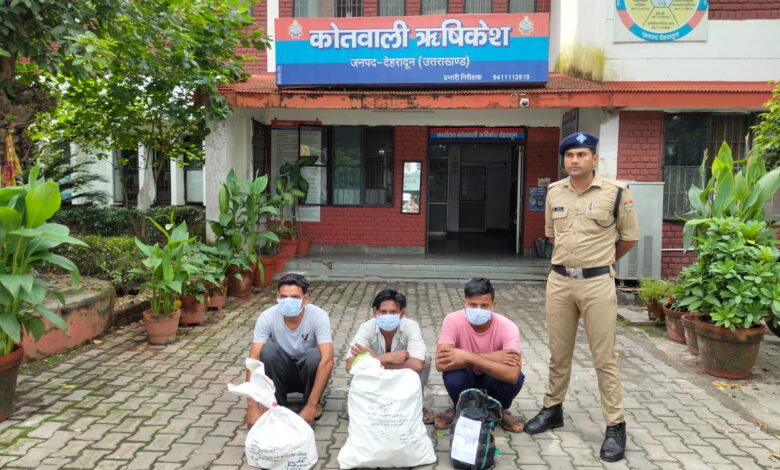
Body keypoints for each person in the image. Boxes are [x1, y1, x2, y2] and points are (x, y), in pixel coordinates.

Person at [525, 131, 639, 463]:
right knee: (558, 353)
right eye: (569, 155)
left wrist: (601, 261)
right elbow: (551, 234)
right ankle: (552, 408)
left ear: (594, 159)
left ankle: (615, 425)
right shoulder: (554, 192)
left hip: (597, 283)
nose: (574, 160)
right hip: (560, 282)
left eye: (581, 154)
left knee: (604, 358)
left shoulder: (616, 192)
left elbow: (629, 237)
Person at [434, 277, 525, 433]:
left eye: (484, 306)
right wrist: (494, 356)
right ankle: (459, 407)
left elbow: (512, 375)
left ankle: (498, 409)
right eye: (473, 305)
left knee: (516, 381)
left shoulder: (508, 327)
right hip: (466, 374)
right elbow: (441, 364)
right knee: (453, 377)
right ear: (464, 303)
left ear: (493, 305)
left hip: (491, 376)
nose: (478, 310)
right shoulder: (452, 320)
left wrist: (466, 356)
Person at [246, 273, 334, 427]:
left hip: (305, 376)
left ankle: (310, 404)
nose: (288, 301)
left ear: (305, 299)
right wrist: (252, 406)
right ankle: (276, 405)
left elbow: (328, 360)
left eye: (294, 297)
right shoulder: (267, 317)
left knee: (315, 355)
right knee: (269, 351)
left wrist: (311, 405)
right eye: (283, 296)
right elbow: (253, 360)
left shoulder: (319, 316)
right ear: (277, 297)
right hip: (279, 375)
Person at [345, 288, 433, 424]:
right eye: (383, 312)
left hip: (402, 379)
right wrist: (386, 358)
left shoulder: (411, 326)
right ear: (375, 313)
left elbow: (417, 365)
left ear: (402, 314)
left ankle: (416, 405)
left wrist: (373, 360)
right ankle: (364, 405)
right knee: (359, 365)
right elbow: (349, 366)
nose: (387, 316)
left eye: (393, 312)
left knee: (425, 359)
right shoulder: (366, 327)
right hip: (376, 380)